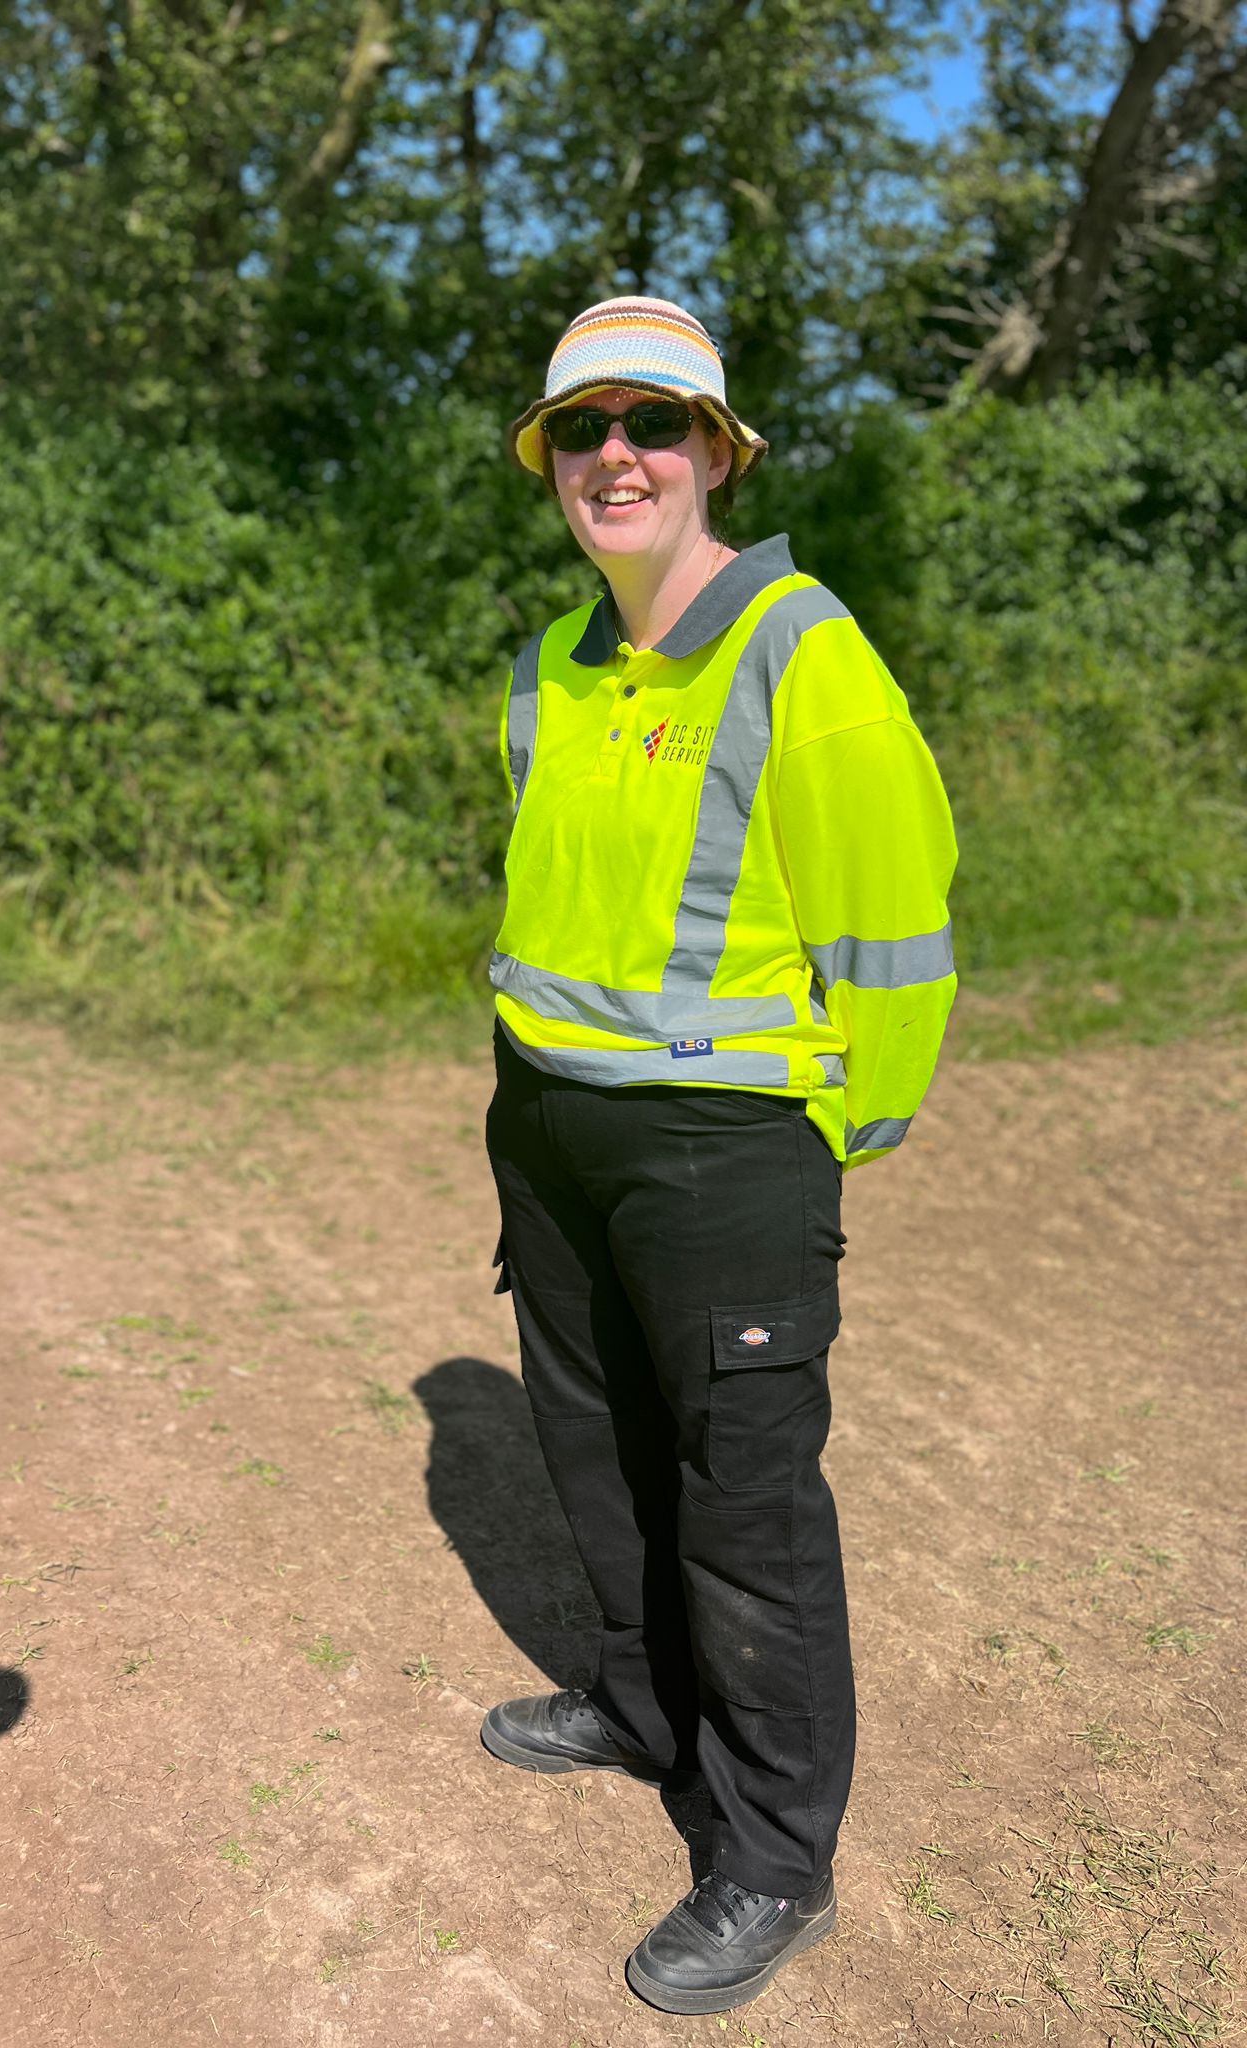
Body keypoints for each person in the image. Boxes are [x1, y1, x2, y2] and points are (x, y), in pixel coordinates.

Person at [480, 296, 957, 2017]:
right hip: (550, 1121)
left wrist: (840, 1126)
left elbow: (894, 915)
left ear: (716, 452)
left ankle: (772, 1855)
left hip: (727, 1145)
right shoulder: (549, 663)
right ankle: (639, 1705)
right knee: (597, 1448)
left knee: (744, 1503)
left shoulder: (796, 644)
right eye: (582, 426)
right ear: (549, 459)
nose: (616, 454)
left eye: (653, 422)